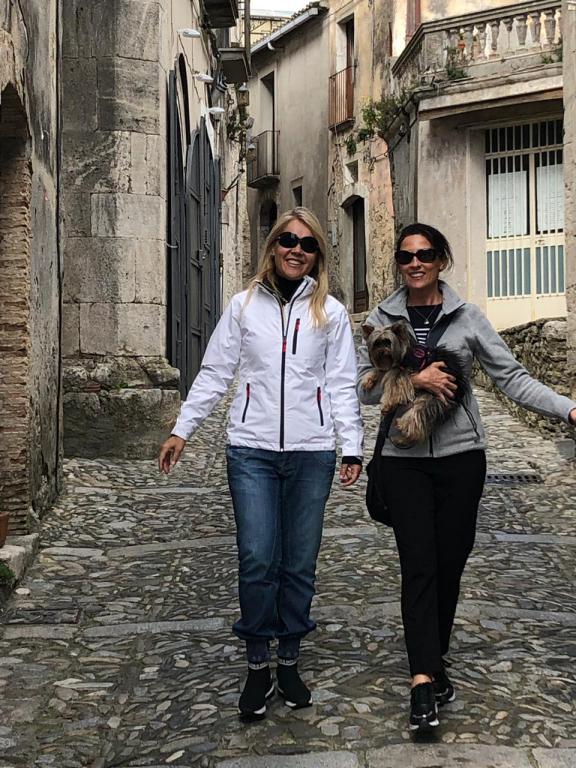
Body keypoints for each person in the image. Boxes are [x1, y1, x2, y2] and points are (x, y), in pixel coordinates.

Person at [357, 222, 576, 732]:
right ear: (399, 264)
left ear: (441, 260)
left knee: (449, 564)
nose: (416, 263)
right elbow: (359, 389)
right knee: (418, 564)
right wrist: (415, 378)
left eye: (426, 254)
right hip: (404, 461)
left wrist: (567, 409)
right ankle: (421, 679)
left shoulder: (468, 317)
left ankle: (434, 659)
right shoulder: (381, 318)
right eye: (407, 256)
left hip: (460, 460)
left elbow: (511, 377)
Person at [159, 207, 363, 720]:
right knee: (256, 558)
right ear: (273, 246)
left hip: (311, 452)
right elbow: (215, 371)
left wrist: (351, 446)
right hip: (251, 450)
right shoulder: (243, 305)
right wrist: (183, 429)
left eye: (308, 244)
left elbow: (341, 383)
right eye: (288, 240)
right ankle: (257, 664)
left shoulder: (331, 313)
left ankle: (288, 659)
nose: (297, 250)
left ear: (318, 255)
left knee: (299, 562)